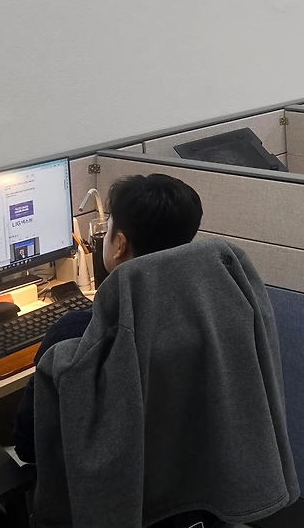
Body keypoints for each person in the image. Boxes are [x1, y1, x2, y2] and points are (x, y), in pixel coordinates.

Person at [12, 173, 204, 462]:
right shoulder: (206, 316)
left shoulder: (77, 332)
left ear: (119, 244)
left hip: (95, 481)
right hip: (178, 470)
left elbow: (28, 444)